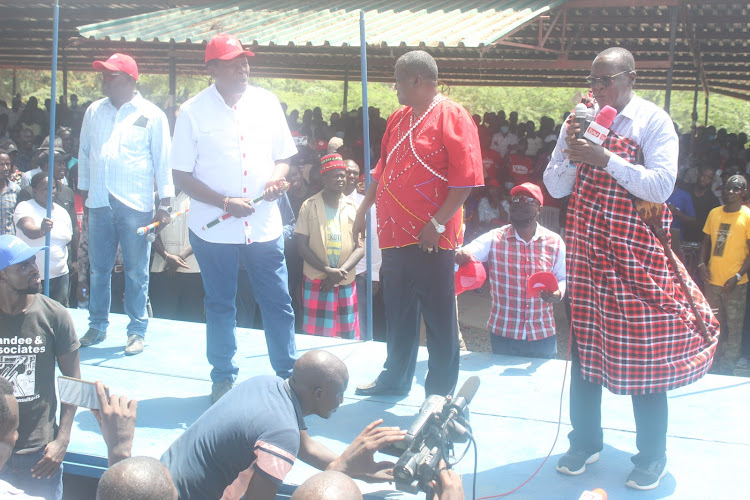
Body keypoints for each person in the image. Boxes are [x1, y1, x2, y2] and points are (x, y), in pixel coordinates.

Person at [543, 47, 718, 490]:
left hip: (636, 258)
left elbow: (661, 186)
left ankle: (651, 456)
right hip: (587, 256)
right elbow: (555, 186)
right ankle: (585, 442)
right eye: (592, 81)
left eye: (605, 81)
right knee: (584, 355)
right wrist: (570, 148)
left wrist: (605, 158)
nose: (597, 90)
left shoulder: (652, 122)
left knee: (645, 360)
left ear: (630, 78)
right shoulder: (578, 121)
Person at [170, 33, 298, 403]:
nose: (243, 67)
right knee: (221, 303)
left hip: (263, 224)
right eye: (232, 62)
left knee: (277, 300)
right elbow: (181, 176)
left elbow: (283, 156)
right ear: (212, 69)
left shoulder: (267, 103)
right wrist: (224, 202)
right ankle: (223, 376)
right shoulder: (193, 111)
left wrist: (277, 177)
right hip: (214, 230)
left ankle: (288, 375)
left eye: (245, 61)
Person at [354, 50, 483, 397]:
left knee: (439, 318)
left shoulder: (452, 115)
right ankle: (394, 378)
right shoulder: (399, 117)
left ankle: (438, 395)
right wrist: (362, 209)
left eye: (397, 81)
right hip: (394, 233)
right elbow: (381, 170)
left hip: (431, 237)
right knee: (397, 311)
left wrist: (438, 224)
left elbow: (465, 181)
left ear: (416, 80)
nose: (394, 88)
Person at [160, 350, 405, 500]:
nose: (342, 401)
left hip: (159, 482)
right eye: (339, 394)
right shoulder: (282, 436)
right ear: (318, 394)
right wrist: (339, 472)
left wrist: (356, 469)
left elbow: (305, 445)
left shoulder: (265, 383)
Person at [77, 52, 173, 356]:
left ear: (131, 80)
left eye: (111, 75)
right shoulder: (94, 111)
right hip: (99, 201)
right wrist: (84, 195)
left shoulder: (152, 114)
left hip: (135, 204)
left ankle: (136, 330)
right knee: (98, 268)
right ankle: (97, 325)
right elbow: (83, 153)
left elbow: (163, 160)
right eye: (103, 74)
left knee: (135, 270)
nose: (104, 80)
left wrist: (166, 204)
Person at [0, 235, 81, 500]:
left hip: (40, 455)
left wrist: (62, 441)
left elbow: (74, 383)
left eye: (33, 261)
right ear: (2, 276)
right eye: (23, 266)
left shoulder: (54, 315)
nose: (35, 269)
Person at [456, 183, 565, 359]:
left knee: (541, 385)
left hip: (542, 332)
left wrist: (558, 293)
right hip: (504, 333)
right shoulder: (494, 238)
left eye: (527, 200)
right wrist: (461, 254)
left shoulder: (555, 242)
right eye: (515, 199)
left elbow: (562, 277)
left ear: (539, 209)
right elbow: (469, 251)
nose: (520, 203)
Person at [295, 154, 363, 339]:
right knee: (317, 337)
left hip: (344, 280)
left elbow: (360, 247)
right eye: (335, 175)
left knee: (348, 337)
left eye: (343, 175)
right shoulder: (308, 206)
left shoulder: (354, 207)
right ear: (324, 178)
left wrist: (340, 271)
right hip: (317, 279)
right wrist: (327, 270)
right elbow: (301, 245)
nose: (341, 179)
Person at [699, 174, 750, 375]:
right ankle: (713, 363)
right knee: (712, 324)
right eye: (728, 187)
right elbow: (705, 241)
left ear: (744, 192)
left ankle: (727, 367)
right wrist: (702, 264)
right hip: (712, 281)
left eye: (736, 188)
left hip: (735, 284)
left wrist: (737, 277)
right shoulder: (714, 213)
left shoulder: (747, 216)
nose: (731, 192)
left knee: (734, 327)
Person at [13, 172, 73, 306]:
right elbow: (28, 229)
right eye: (45, 189)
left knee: (58, 313)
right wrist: (41, 230)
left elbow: (69, 239)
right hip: (34, 277)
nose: (51, 191)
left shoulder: (62, 212)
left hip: (60, 275)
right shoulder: (25, 207)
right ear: (34, 192)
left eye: (53, 187)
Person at [0, 148, 19, 235]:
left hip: (9, 242)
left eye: (8, 164)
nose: (5, 168)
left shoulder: (15, 189)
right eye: (1, 164)